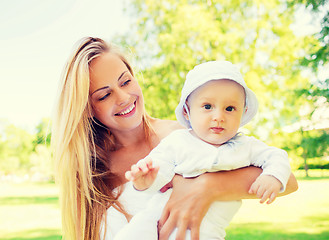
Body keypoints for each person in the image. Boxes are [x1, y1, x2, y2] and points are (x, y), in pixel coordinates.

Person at [51, 37, 298, 240]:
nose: (124, 97)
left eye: (126, 81)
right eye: (104, 95)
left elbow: (289, 180)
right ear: (87, 108)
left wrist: (206, 186)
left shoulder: (181, 137)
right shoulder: (91, 170)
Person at [117, 61, 291, 239]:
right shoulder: (178, 141)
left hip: (205, 230)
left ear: (243, 112)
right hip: (157, 219)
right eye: (207, 106)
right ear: (187, 111)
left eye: (230, 108)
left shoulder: (246, 146)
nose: (219, 117)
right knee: (135, 231)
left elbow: (276, 156)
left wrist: (272, 176)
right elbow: (160, 169)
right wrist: (145, 181)